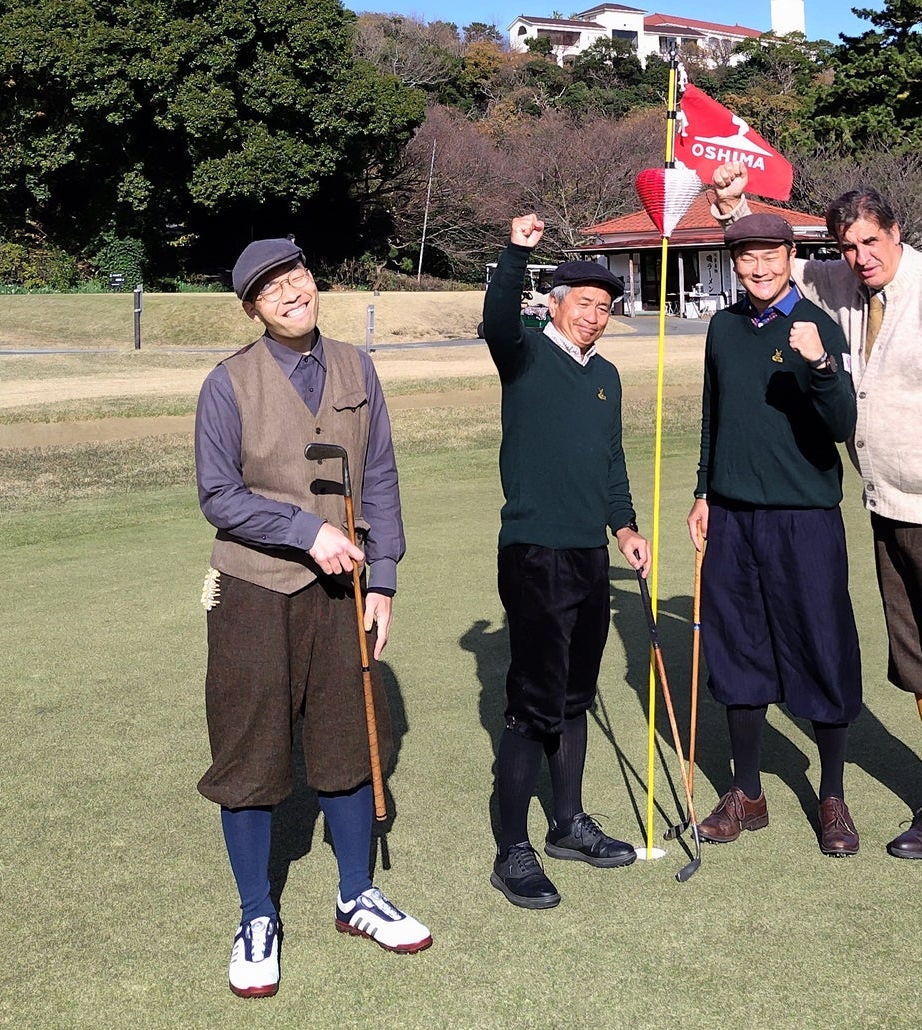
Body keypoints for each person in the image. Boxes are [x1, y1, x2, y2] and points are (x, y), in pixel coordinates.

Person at [711, 163, 922, 893]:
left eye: (870, 242)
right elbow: (770, 262)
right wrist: (733, 205)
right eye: (848, 247)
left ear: (896, 233)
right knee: (921, 668)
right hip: (888, 509)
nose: (860, 257)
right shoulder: (844, 285)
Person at [194, 239, 431, 999]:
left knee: (349, 740)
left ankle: (356, 894)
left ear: (313, 281)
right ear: (252, 309)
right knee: (250, 752)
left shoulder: (359, 368)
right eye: (272, 289)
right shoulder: (226, 384)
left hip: (345, 591)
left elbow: (380, 474)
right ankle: (256, 916)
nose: (291, 293)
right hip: (253, 591)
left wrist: (383, 578)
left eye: (296, 277)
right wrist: (306, 531)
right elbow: (219, 496)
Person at [482, 212, 652, 910]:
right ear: (555, 305)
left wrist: (625, 527)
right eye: (583, 303)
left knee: (576, 695)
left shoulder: (606, 375)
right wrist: (514, 252)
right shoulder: (523, 351)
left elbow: (611, 460)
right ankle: (512, 851)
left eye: (604, 308)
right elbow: (495, 320)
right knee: (534, 702)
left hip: (588, 554)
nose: (594, 317)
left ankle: (567, 824)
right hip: (534, 552)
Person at [685, 212, 863, 856]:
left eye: (770, 256)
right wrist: (703, 490)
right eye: (746, 258)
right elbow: (713, 413)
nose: (758, 269)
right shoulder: (723, 327)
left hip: (804, 518)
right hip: (733, 517)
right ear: (735, 264)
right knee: (738, 650)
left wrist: (820, 365)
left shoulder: (818, 326)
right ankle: (747, 793)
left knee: (822, 646)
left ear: (791, 256)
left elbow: (843, 423)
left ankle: (832, 795)